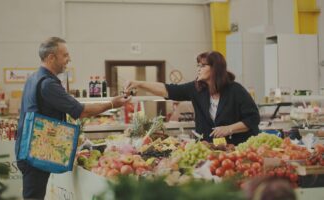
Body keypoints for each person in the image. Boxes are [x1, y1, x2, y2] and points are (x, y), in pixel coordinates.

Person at [15, 37, 131, 199]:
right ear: (51, 57)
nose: (69, 59)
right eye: (65, 55)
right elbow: (80, 111)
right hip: (35, 152)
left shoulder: (34, 78)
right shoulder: (48, 84)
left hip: (30, 148)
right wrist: (112, 103)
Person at [125, 51, 260, 145]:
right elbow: (168, 90)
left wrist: (229, 128)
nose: (198, 69)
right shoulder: (197, 89)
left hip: (237, 148)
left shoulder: (235, 90)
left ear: (215, 69)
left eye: (203, 66)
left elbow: (253, 118)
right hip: (209, 148)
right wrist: (140, 83)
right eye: (198, 66)